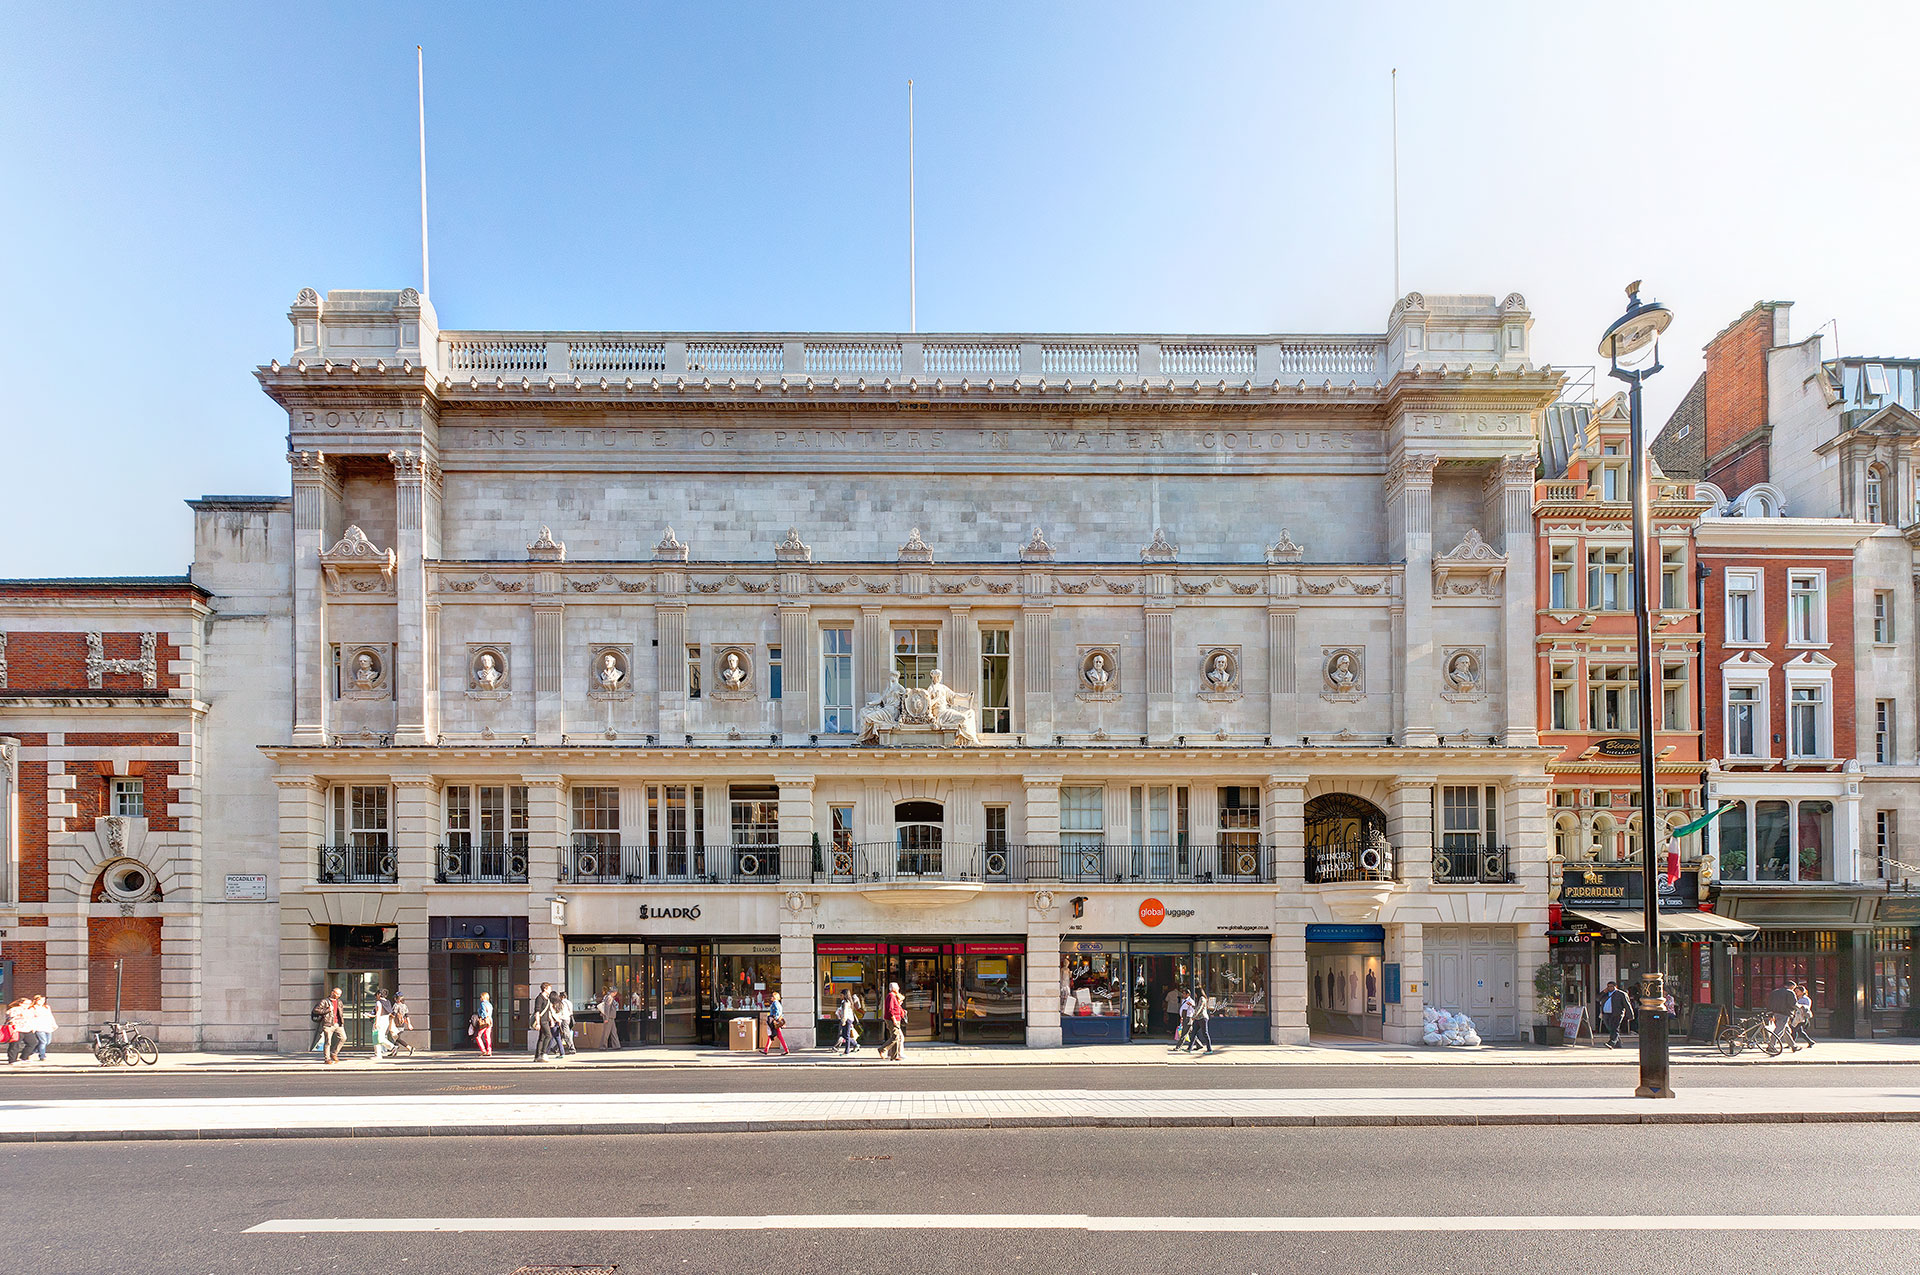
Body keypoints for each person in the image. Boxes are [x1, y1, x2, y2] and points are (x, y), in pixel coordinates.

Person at [1598, 980, 1633, 1049]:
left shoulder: (1621, 994)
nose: (1609, 988)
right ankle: (1618, 1044)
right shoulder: (1606, 994)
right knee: (1611, 1029)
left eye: (1611, 986)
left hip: (1616, 1014)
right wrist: (1603, 992)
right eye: (1608, 986)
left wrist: (1630, 1015)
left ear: (1615, 986)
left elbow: (1627, 1004)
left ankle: (1611, 1043)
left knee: (1614, 1028)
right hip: (1606, 1014)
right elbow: (1597, 998)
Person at [315, 987, 346, 1064]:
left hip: (338, 1023)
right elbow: (316, 1010)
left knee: (343, 1038)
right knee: (328, 1042)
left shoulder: (339, 1002)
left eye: (340, 994)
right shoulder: (324, 1001)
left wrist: (341, 1021)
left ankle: (334, 1053)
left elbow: (341, 1012)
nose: (339, 995)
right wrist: (327, 1010)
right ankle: (327, 1059)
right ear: (332, 993)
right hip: (328, 1023)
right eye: (337, 994)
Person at [1765, 981, 1799, 1051]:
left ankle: (1793, 1046)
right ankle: (1771, 1046)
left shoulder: (1775, 992)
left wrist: (1770, 1014)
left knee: (1785, 1030)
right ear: (1791, 986)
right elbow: (1793, 1004)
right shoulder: (1790, 992)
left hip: (1775, 1013)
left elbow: (1769, 1003)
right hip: (1784, 1013)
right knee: (1779, 1030)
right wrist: (1798, 1009)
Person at [532, 983, 558, 1061]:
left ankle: (537, 1056)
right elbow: (537, 1011)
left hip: (546, 1020)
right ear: (545, 989)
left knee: (542, 1038)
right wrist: (538, 1023)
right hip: (542, 1021)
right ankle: (544, 1053)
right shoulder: (539, 998)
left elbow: (548, 1010)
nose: (550, 990)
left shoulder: (547, 999)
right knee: (549, 1035)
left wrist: (551, 1020)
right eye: (549, 989)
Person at [1186, 986, 1215, 1054]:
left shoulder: (1202, 999)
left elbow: (1199, 1008)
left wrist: (1193, 1016)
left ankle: (1209, 1049)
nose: (1195, 995)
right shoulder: (1199, 999)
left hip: (1202, 1018)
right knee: (1193, 1033)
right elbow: (1197, 1007)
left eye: (1195, 993)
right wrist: (1191, 1005)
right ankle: (1189, 1048)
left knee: (1205, 1033)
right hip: (1198, 1018)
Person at [883, 981, 907, 1062]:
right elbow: (890, 1010)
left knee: (896, 1037)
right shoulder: (891, 996)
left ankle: (893, 1055)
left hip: (896, 1019)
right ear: (894, 988)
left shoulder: (893, 996)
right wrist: (894, 1020)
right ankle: (883, 1049)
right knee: (896, 1036)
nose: (899, 988)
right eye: (897, 987)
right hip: (893, 1019)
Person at [762, 992, 790, 1056]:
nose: (771, 997)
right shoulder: (778, 1003)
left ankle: (766, 1050)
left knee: (772, 1035)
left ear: (775, 997)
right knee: (777, 1036)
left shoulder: (775, 1003)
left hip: (775, 1021)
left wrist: (774, 1018)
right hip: (777, 1021)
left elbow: (777, 1012)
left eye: (772, 996)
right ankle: (786, 1050)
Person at [4, 998, 29, 1064]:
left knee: (33, 1042)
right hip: (17, 1029)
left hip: (26, 1029)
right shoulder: (14, 1009)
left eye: (29, 1004)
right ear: (20, 1003)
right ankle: (12, 1060)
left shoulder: (27, 1010)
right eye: (26, 1004)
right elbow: (10, 1018)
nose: (28, 1005)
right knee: (15, 1044)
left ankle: (24, 1057)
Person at [1791, 982, 1816, 1050]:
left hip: (1802, 1017)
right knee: (1799, 1031)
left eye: (1797, 991)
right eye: (1795, 991)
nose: (1796, 993)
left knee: (1794, 1029)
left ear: (1802, 992)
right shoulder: (1797, 998)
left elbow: (1806, 1008)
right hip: (1797, 1016)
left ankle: (1792, 1043)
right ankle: (1810, 1042)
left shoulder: (1805, 999)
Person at [1171, 989, 1195, 1053]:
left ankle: (1178, 1046)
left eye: (1184, 994)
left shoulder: (1191, 1001)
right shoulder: (1184, 1000)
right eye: (1183, 993)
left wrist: (1191, 1006)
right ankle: (1199, 1045)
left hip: (1188, 1018)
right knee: (1191, 1032)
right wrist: (1181, 1017)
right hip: (1184, 1018)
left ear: (1188, 994)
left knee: (1184, 1033)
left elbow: (1193, 1010)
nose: (1183, 995)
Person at [472, 991, 494, 1056]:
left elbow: (484, 1013)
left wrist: (481, 1017)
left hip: (484, 1022)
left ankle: (483, 1050)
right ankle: (489, 1051)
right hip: (490, 1021)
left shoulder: (482, 1004)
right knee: (487, 1037)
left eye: (481, 996)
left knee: (478, 1036)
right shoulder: (490, 1004)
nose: (480, 998)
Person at [372, 989, 392, 1061]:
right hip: (386, 1020)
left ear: (379, 994)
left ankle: (379, 1054)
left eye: (377, 994)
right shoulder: (388, 1002)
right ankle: (391, 1048)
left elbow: (378, 1012)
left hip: (380, 1020)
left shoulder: (379, 1002)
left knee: (376, 1037)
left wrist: (376, 1022)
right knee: (380, 1036)